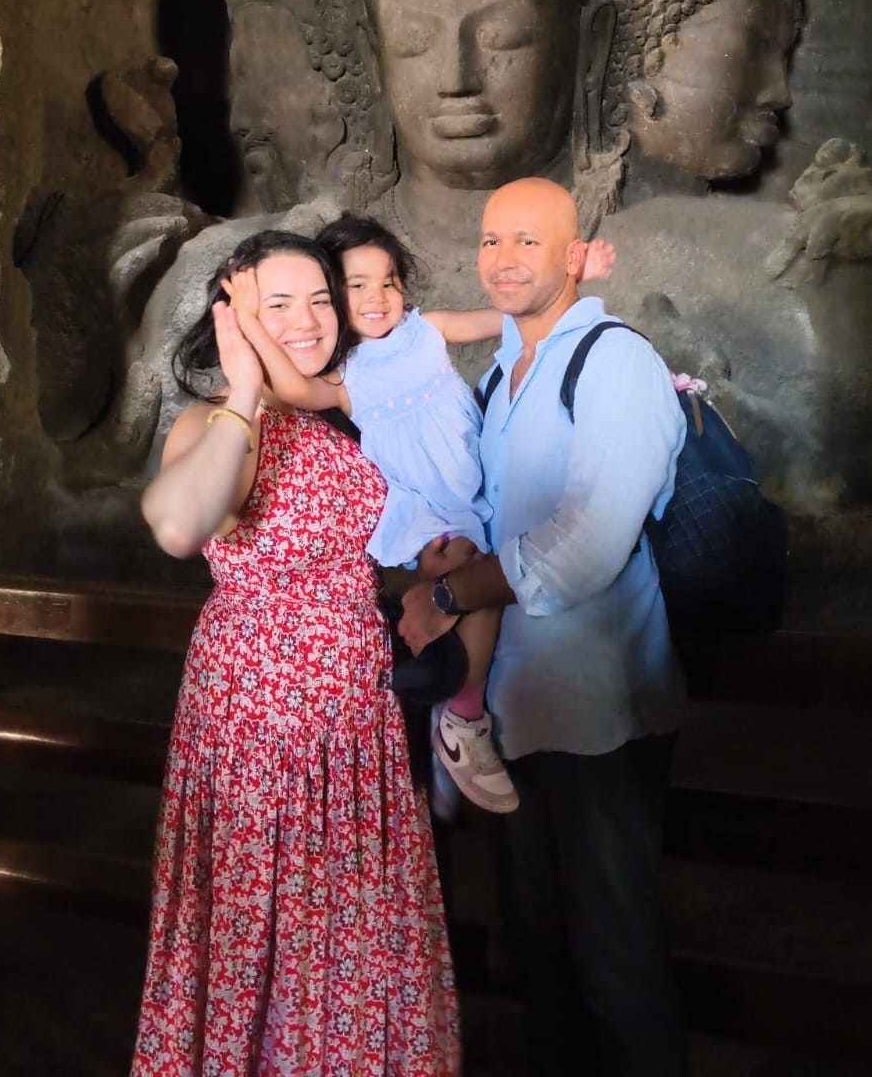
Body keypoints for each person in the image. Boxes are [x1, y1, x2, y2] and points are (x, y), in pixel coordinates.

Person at [131, 228, 459, 1077]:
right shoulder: (219, 423)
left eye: (320, 297)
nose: (309, 318)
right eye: (278, 303)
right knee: (262, 927)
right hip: (257, 723)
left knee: (353, 930)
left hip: (356, 727)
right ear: (232, 312)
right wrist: (243, 387)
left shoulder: (344, 411)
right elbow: (175, 524)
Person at [398, 178, 690, 1077]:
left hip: (597, 712)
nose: (504, 259)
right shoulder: (501, 371)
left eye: (528, 241)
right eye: (490, 242)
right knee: (542, 956)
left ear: (574, 255)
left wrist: (450, 598)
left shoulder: (613, 361)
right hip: (513, 711)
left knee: (616, 958)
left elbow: (591, 541)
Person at [221, 213, 615, 818]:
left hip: (472, 492)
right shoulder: (343, 375)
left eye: (389, 281)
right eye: (356, 285)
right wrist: (248, 317)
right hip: (427, 506)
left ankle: (444, 720)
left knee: (480, 585)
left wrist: (570, 281)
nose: (377, 297)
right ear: (332, 295)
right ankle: (464, 718)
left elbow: (515, 317)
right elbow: (288, 389)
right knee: (471, 574)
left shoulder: (426, 331)